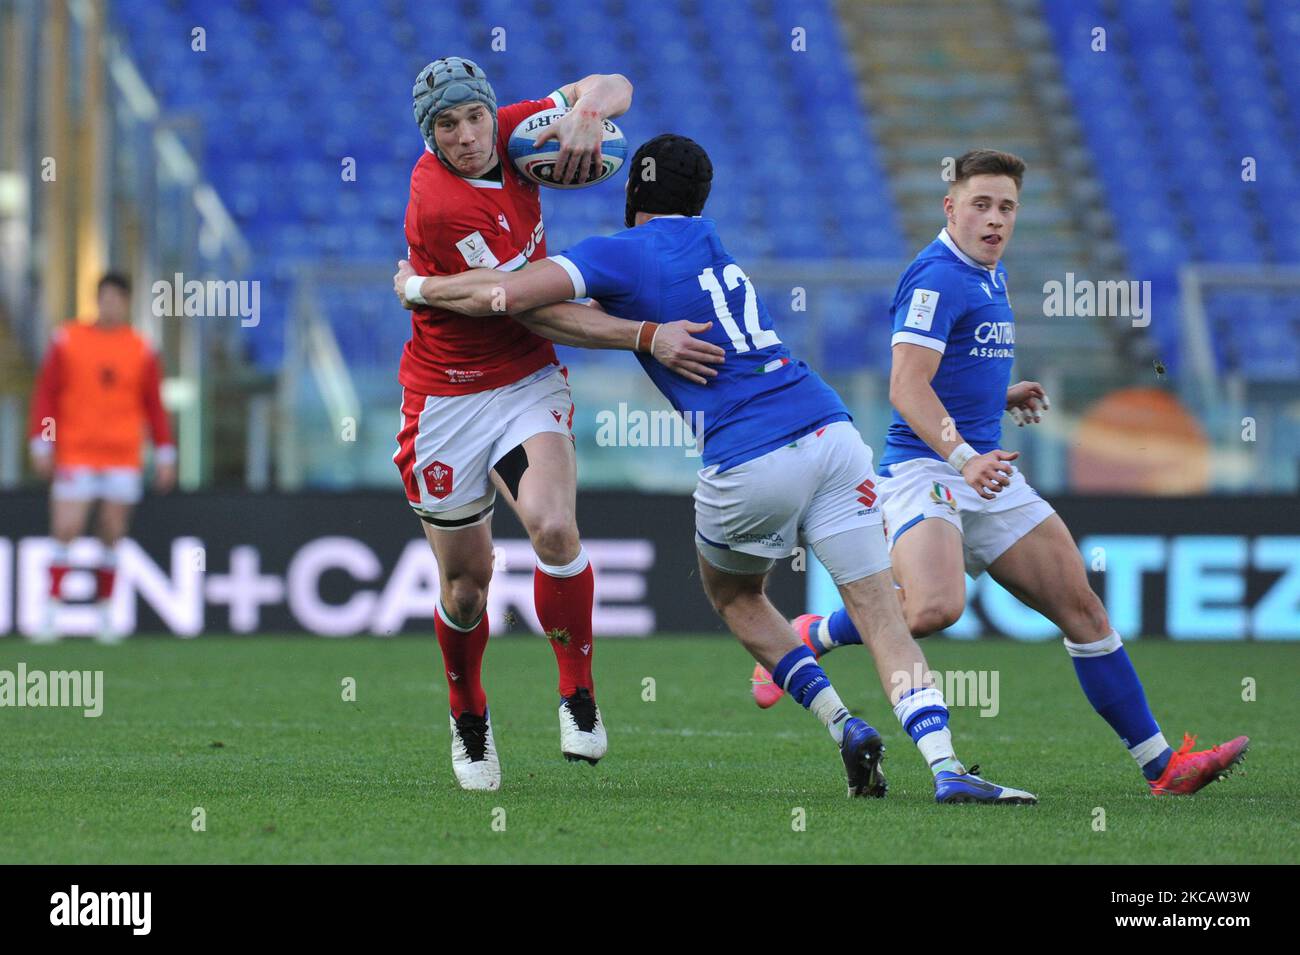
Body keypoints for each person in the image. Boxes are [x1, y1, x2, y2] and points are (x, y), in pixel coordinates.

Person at [394, 135, 1036, 803]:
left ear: (633, 192)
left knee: (737, 596)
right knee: (881, 613)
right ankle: (947, 766)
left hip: (749, 454)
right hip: (832, 431)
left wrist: (419, 285)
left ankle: (842, 721)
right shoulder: (711, 243)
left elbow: (506, 296)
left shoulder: (620, 251)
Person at [750, 149, 1249, 797]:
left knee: (1084, 610)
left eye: (1006, 207)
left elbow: (952, 369)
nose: (994, 219)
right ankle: (814, 631)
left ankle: (1163, 768)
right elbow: (906, 386)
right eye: (980, 204)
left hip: (986, 470)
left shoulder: (989, 273)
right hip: (927, 467)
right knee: (934, 606)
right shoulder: (935, 277)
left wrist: (999, 396)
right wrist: (964, 455)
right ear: (949, 207)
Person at [397, 56, 644, 792]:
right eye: (449, 125)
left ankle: (577, 692)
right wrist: (425, 288)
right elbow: (504, 297)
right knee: (467, 587)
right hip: (445, 398)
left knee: (554, 526)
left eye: (475, 117)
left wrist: (588, 114)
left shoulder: (509, 130)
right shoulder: (435, 201)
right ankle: (467, 710)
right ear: (431, 134)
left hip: (526, 379)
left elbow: (614, 81)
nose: (469, 135)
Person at [27, 272, 176, 643]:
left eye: (117, 298)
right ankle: (50, 612)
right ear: (97, 300)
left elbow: (154, 405)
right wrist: (42, 442)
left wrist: (165, 451)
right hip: (76, 450)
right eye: (104, 297)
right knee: (66, 528)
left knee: (112, 531)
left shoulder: (142, 348)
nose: (110, 304)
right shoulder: (68, 339)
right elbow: (46, 393)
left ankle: (106, 613)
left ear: (126, 303)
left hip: (123, 454)